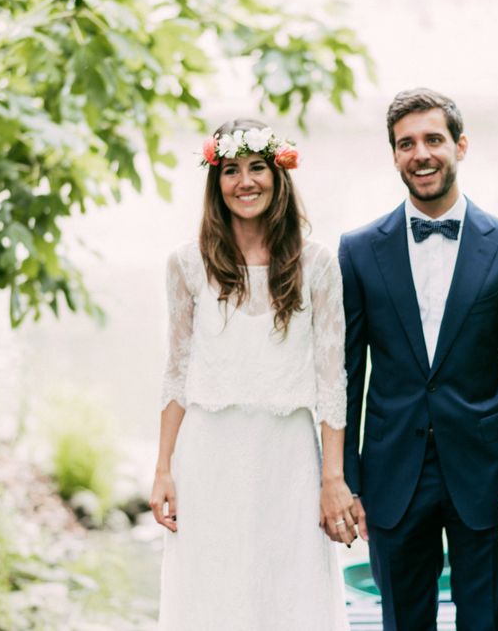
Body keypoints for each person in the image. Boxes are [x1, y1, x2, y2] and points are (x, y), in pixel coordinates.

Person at [338, 88, 498, 631]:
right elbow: (346, 376)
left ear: (460, 145)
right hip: (391, 478)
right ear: (393, 155)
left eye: (433, 139)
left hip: (486, 477)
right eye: (405, 144)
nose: (421, 154)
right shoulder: (358, 250)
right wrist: (347, 481)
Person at [149, 118, 356, 631]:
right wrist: (162, 468)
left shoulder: (318, 263)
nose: (246, 181)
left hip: (286, 457)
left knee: (289, 593)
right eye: (232, 170)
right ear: (215, 183)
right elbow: (175, 372)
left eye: (258, 168)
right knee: (211, 594)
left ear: (278, 174)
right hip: (208, 457)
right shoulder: (186, 264)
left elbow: (333, 381)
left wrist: (333, 480)